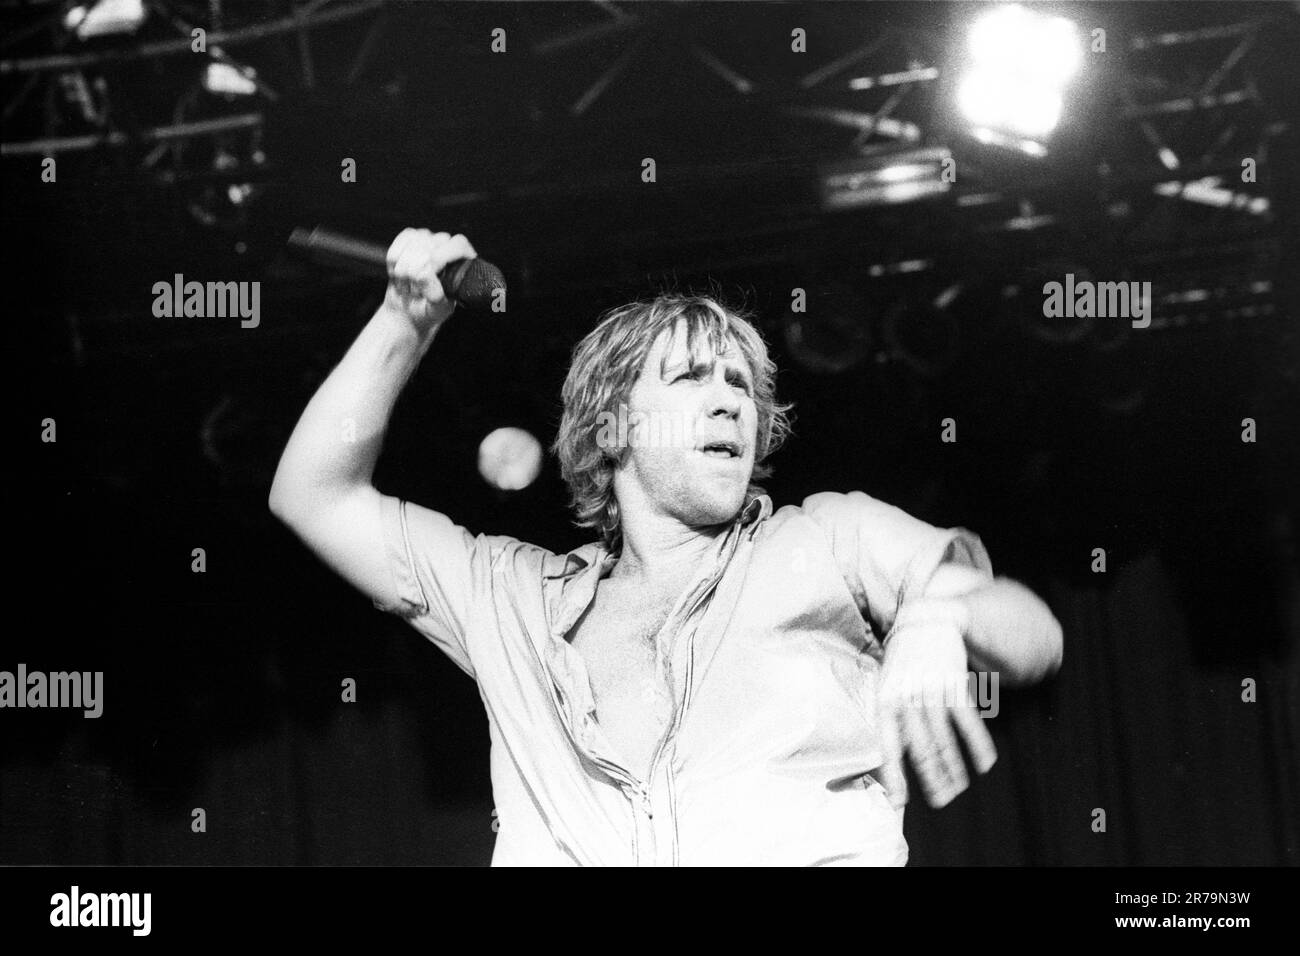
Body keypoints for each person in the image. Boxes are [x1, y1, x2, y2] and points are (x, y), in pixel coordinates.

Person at [269, 228, 1064, 866]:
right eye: (690, 380)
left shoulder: (828, 537)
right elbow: (313, 495)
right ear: (611, 425)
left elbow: (1034, 635)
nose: (729, 403)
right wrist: (403, 322)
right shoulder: (503, 596)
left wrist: (939, 621)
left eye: (740, 387)